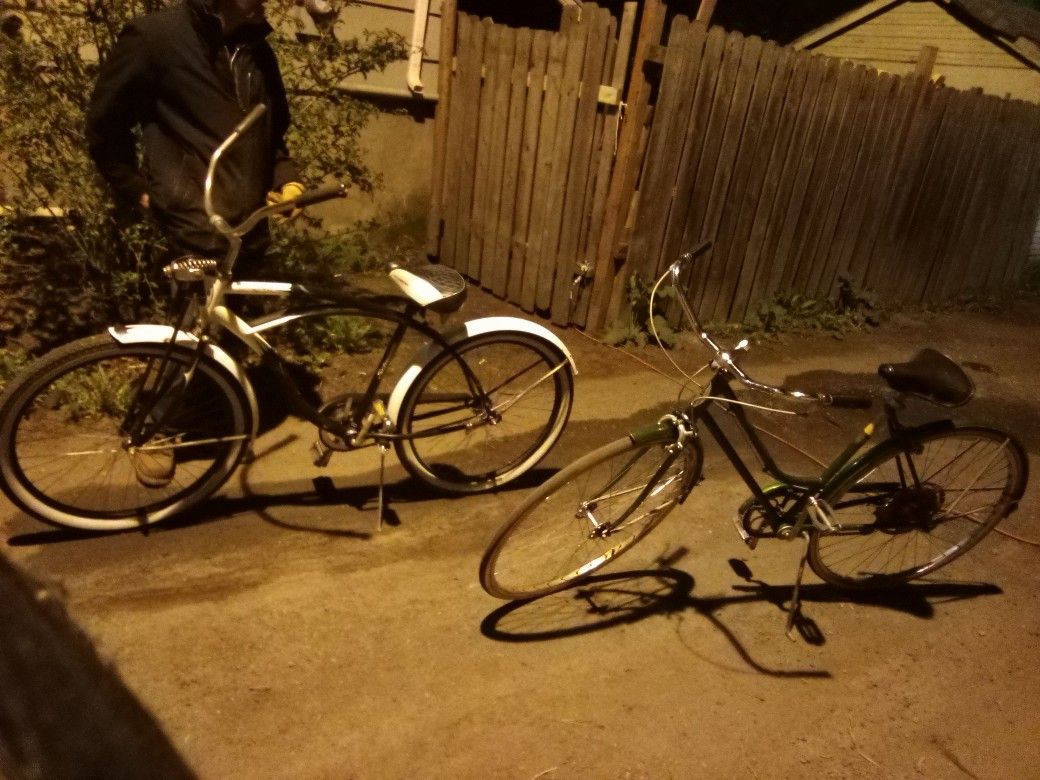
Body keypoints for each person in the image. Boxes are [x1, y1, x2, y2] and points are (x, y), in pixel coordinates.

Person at [86, 0, 303, 273]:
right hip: (190, 234)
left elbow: (268, 131)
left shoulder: (258, 51)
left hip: (248, 238)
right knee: (194, 315)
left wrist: (286, 178)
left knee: (244, 317)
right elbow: (105, 126)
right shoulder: (155, 38)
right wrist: (138, 191)